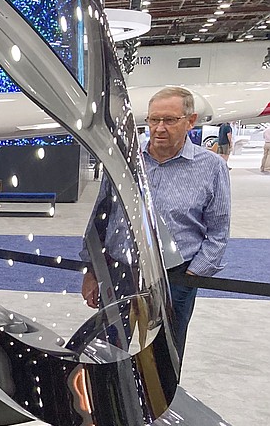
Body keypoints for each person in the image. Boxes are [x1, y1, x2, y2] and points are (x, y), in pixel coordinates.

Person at [80, 86, 230, 355]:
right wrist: (91, 269)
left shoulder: (211, 168)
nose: (159, 128)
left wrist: (191, 276)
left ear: (190, 121)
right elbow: (100, 218)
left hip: (175, 277)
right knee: (110, 348)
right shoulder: (124, 161)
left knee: (163, 355)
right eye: (153, 120)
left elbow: (218, 233)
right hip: (119, 271)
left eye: (170, 120)